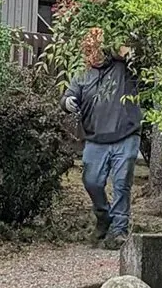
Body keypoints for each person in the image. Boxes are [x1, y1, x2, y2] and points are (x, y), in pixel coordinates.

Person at [61, 47, 142, 250]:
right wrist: (67, 101)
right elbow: (69, 95)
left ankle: (119, 231)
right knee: (92, 182)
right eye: (90, 51)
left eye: (99, 50)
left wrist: (128, 54)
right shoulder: (82, 73)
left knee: (122, 183)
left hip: (126, 134)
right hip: (95, 137)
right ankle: (103, 215)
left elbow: (141, 61)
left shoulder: (124, 68)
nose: (95, 55)